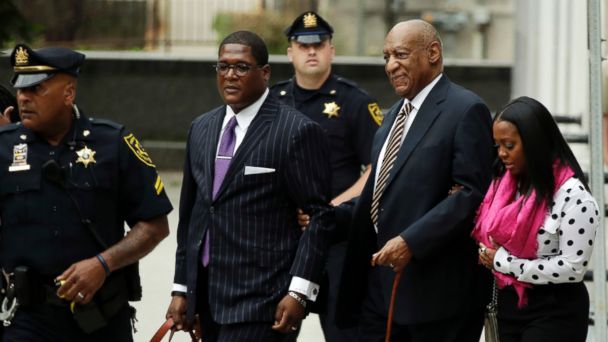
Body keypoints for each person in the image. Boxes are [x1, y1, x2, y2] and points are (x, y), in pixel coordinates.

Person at [165, 30, 333, 342]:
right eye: (222, 66)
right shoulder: (201, 128)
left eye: (241, 67)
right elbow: (192, 215)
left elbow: (320, 218)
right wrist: (182, 288)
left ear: (265, 73)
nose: (230, 75)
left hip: (264, 303)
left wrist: (299, 291)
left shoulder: (296, 131)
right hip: (206, 302)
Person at [334, 20, 495, 341]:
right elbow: (379, 195)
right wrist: (324, 216)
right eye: (386, 57)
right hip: (377, 293)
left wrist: (411, 241)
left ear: (433, 52)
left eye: (401, 55)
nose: (391, 65)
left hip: (436, 299)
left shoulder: (465, 109)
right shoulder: (391, 116)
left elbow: (471, 194)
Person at [0, 44, 172, 341]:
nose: (24, 97)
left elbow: (154, 226)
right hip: (27, 320)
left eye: (37, 88)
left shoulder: (113, 143)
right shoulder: (4, 147)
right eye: (21, 88)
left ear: (69, 93)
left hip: (100, 317)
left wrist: (103, 264)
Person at [270, 11, 382, 341]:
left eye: (319, 44)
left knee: (343, 331)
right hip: (283, 237)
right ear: (290, 52)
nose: (312, 52)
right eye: (303, 46)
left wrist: (331, 209)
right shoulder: (271, 102)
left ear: (332, 49)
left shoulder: (356, 102)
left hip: (338, 241)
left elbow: (378, 167)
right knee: (274, 328)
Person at [473, 96, 598, 342]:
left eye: (509, 145)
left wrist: (505, 262)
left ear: (534, 143)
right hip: (509, 307)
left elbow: (573, 268)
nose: (502, 154)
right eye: (497, 145)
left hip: (555, 310)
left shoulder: (574, 196)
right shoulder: (502, 184)